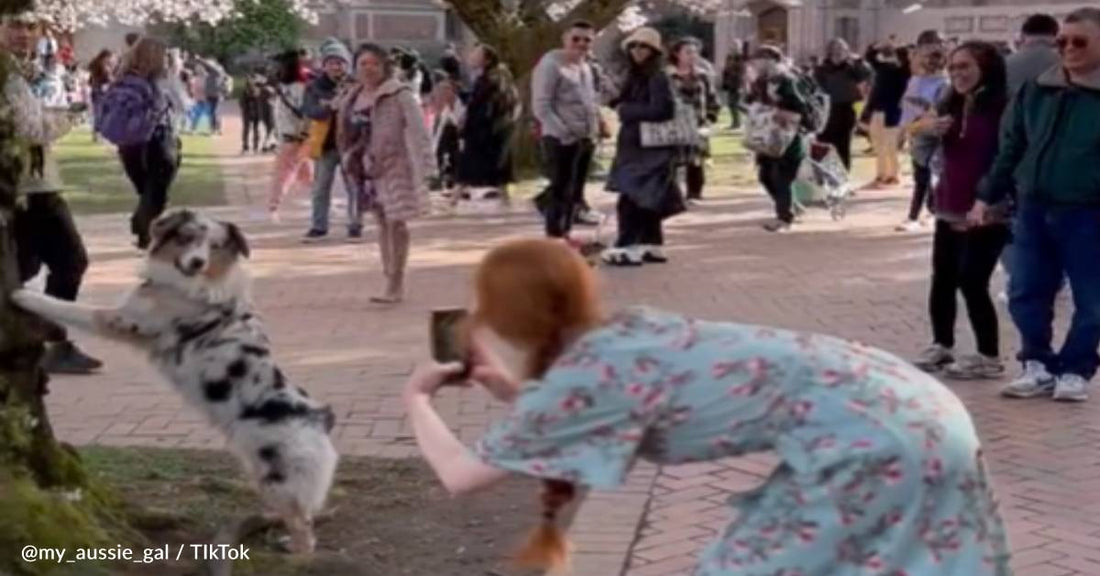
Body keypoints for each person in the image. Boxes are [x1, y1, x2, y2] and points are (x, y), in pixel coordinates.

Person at [402, 238, 1012, 576]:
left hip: (876, 442)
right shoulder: (624, 334)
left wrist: (417, 397)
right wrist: (509, 390)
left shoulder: (589, 378)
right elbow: (592, 409)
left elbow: (461, 476)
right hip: (917, 409)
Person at [971, 8, 1100, 402]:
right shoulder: (1037, 89)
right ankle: (1037, 363)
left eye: (1080, 41)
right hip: (1033, 207)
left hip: (1088, 212)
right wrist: (987, 194)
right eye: (1063, 41)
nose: (1069, 49)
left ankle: (1076, 368)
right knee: (1026, 288)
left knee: (1092, 298)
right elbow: (1011, 146)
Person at [3, 12, 103, 374]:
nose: (24, 34)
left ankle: (46, 339)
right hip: (31, 190)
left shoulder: (22, 73)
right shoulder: (10, 78)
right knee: (68, 261)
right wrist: (69, 115)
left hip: (35, 183)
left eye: (31, 27)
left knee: (23, 268)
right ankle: (51, 340)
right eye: (15, 25)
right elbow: (32, 129)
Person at [909, 42, 1011, 380]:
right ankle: (941, 344)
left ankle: (988, 355)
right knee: (943, 279)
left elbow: (1008, 156)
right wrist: (926, 134)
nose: (957, 74)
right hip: (949, 203)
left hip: (989, 207)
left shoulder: (1002, 106)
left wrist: (992, 198)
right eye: (953, 68)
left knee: (972, 279)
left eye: (965, 67)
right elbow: (923, 155)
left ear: (986, 67)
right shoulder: (947, 101)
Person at [336, 43, 436, 304]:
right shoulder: (351, 96)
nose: (368, 69)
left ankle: (396, 281)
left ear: (384, 66)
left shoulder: (399, 94)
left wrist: (428, 166)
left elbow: (418, 131)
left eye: (374, 64)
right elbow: (343, 132)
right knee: (381, 221)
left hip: (394, 165)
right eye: (363, 64)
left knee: (396, 221)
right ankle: (388, 274)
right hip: (364, 168)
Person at [601, 28, 681, 267]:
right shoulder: (637, 75)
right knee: (647, 197)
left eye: (643, 47)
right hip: (637, 146)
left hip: (649, 149)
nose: (637, 51)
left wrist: (626, 111)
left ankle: (627, 246)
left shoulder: (658, 76)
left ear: (654, 51)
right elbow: (626, 101)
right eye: (633, 46)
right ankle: (651, 243)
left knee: (631, 199)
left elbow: (663, 110)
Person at [997, 14, 1062, 302]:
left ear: (1024, 34)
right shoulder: (1072, 63)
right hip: (1065, 159)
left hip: (1014, 156)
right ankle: (1057, 278)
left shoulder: (1004, 66)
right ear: (1054, 33)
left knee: (1016, 222)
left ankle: (1021, 279)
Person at [531, 20, 605, 239]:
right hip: (560, 138)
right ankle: (555, 235)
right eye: (576, 39)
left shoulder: (587, 67)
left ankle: (566, 231)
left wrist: (595, 128)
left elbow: (590, 101)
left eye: (587, 40)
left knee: (575, 192)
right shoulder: (550, 64)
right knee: (561, 190)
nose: (581, 44)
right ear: (565, 39)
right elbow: (541, 106)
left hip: (585, 137)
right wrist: (563, 134)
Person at [108, 38, 180, 251]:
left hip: (128, 142)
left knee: (146, 190)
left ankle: (145, 234)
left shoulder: (122, 78)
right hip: (157, 138)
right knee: (157, 188)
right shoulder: (162, 80)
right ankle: (143, 228)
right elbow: (183, 104)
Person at [746, 45, 811, 233]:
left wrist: (777, 106)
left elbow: (800, 108)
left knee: (782, 175)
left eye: (761, 59)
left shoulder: (787, 80)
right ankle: (789, 207)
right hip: (767, 135)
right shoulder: (760, 81)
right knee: (765, 175)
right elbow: (751, 101)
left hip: (788, 135)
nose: (756, 63)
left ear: (773, 61)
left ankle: (784, 217)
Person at [302, 37, 361, 242]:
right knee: (320, 187)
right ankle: (319, 226)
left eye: (340, 62)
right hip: (325, 144)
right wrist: (329, 107)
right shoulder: (314, 86)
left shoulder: (357, 85)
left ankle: (355, 224)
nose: (336, 66)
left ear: (347, 64)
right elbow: (309, 110)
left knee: (354, 186)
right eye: (331, 62)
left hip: (351, 145)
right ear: (324, 65)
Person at [896, 31, 949, 232]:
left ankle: (918, 214)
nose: (928, 61)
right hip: (918, 133)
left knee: (930, 175)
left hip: (936, 133)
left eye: (934, 56)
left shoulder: (945, 83)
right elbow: (908, 110)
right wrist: (903, 132)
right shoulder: (915, 81)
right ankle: (927, 211)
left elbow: (940, 111)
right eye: (924, 56)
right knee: (922, 175)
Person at [455, 43, 519, 201]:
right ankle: (506, 201)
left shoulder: (489, 80)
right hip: (497, 130)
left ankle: (454, 199)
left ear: (487, 60)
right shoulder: (498, 77)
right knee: (499, 169)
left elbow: (480, 107)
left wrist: (466, 126)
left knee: (467, 167)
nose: (472, 57)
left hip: (484, 131)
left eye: (476, 54)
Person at [669, 37, 720, 203]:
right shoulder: (668, 75)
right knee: (672, 160)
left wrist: (711, 117)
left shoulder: (703, 76)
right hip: (674, 123)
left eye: (695, 52)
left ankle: (694, 193)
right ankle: (672, 193)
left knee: (696, 160)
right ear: (677, 54)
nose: (692, 56)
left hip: (698, 123)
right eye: (688, 52)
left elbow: (712, 98)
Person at [268, 50, 314, 222]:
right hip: (290, 137)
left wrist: (304, 132)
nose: (274, 68)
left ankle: (274, 206)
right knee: (306, 174)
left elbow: (307, 113)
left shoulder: (299, 88)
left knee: (282, 174)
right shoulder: (282, 87)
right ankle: (319, 205)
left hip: (295, 138)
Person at [814, 38, 872, 170]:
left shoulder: (852, 68)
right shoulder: (822, 69)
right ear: (829, 52)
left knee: (843, 145)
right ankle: (825, 177)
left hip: (846, 108)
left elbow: (867, 74)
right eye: (835, 50)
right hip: (827, 109)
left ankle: (843, 176)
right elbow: (816, 88)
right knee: (825, 144)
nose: (838, 53)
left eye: (842, 50)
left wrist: (858, 61)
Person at [864, 41, 911, 187]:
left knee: (890, 146)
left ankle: (893, 175)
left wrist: (896, 48)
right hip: (878, 109)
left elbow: (906, 58)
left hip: (893, 111)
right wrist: (876, 46)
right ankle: (881, 174)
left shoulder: (903, 71)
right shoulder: (882, 67)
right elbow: (870, 57)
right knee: (878, 145)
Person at [195, 56, 229, 136]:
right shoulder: (209, 73)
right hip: (210, 95)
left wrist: (200, 59)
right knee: (211, 112)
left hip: (217, 94)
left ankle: (216, 129)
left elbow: (209, 65)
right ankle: (215, 128)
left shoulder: (218, 70)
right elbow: (204, 69)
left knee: (215, 112)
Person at [240, 69, 267, 154]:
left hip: (255, 111)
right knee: (247, 129)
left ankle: (254, 146)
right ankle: (246, 146)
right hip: (248, 110)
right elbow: (242, 102)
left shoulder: (260, 88)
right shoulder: (247, 89)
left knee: (255, 129)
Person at [720, 47, 747, 130]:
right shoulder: (729, 58)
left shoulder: (740, 59)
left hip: (737, 84)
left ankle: (739, 121)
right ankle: (736, 122)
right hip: (730, 85)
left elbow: (741, 71)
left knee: (735, 104)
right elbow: (726, 70)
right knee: (731, 104)